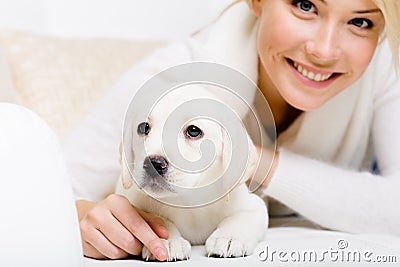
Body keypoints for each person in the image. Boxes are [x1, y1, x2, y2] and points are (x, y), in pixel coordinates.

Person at [61, 0, 400, 261]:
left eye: (360, 21)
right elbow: (51, 186)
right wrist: (81, 215)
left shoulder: (385, 65)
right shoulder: (169, 81)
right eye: (304, 4)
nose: (323, 50)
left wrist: (255, 162)